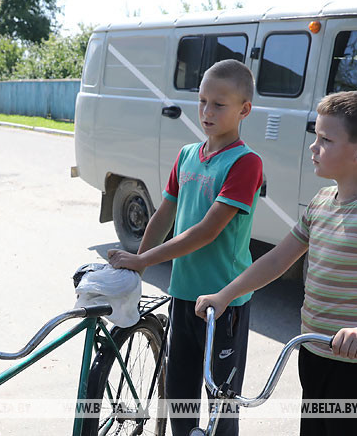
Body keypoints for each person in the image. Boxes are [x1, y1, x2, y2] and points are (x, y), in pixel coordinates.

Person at [195, 91, 357, 436]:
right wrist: (225, 295)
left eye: (325, 140)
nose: (313, 147)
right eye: (315, 137)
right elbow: (278, 259)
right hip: (313, 352)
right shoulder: (321, 202)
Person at [107, 59, 263, 436]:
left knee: (221, 401)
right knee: (180, 394)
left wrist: (144, 256)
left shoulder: (245, 163)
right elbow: (163, 216)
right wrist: (137, 269)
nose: (207, 112)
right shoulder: (187, 155)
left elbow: (205, 231)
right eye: (202, 101)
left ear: (244, 110)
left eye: (219, 105)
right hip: (183, 295)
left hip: (224, 302)